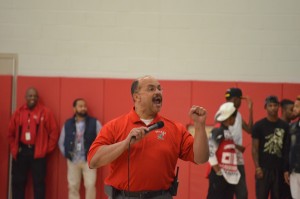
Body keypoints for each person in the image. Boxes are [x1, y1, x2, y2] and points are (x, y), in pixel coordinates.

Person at [87, 75, 209, 199]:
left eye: (159, 89)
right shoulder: (114, 126)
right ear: (136, 97)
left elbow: (201, 158)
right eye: (151, 89)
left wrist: (199, 125)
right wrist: (125, 143)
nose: (157, 92)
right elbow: (93, 161)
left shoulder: (175, 128)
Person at [8, 87, 59, 199]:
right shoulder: (18, 113)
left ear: (38, 98)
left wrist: (45, 149)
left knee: (39, 184)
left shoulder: (46, 112)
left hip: (38, 153)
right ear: (26, 97)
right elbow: (10, 134)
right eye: (30, 96)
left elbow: (54, 133)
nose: (33, 98)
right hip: (21, 152)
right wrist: (14, 149)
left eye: (35, 96)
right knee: (18, 183)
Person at [58, 98, 102, 199]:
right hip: (73, 160)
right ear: (74, 109)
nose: (83, 108)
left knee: (90, 185)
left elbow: (102, 140)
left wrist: (95, 155)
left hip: (89, 161)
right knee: (73, 186)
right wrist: (67, 155)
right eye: (80, 106)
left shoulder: (95, 122)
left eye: (84, 106)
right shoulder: (68, 123)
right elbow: (61, 142)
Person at [252, 95, 289, 199]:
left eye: (275, 105)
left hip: (279, 170)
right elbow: (254, 148)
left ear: (278, 107)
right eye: (270, 105)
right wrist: (257, 167)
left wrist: (286, 169)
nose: (273, 108)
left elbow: (286, 149)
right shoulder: (259, 125)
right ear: (265, 107)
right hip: (263, 169)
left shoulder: (285, 126)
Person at [207, 102, 240, 199]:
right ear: (229, 117)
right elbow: (210, 152)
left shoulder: (228, 131)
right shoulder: (218, 130)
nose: (235, 119)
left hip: (230, 177)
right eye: (234, 117)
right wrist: (218, 172)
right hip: (220, 176)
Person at [225, 88, 253, 199]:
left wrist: (250, 109)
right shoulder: (224, 113)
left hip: (238, 161)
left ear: (237, 99)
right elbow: (220, 135)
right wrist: (236, 146)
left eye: (230, 99)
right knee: (227, 193)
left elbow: (250, 130)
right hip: (227, 161)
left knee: (242, 194)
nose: (228, 102)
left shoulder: (238, 115)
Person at [284, 96, 300, 199]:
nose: (294, 108)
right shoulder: (292, 127)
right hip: (294, 171)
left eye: (297, 106)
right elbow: (287, 149)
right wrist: (286, 169)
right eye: (294, 106)